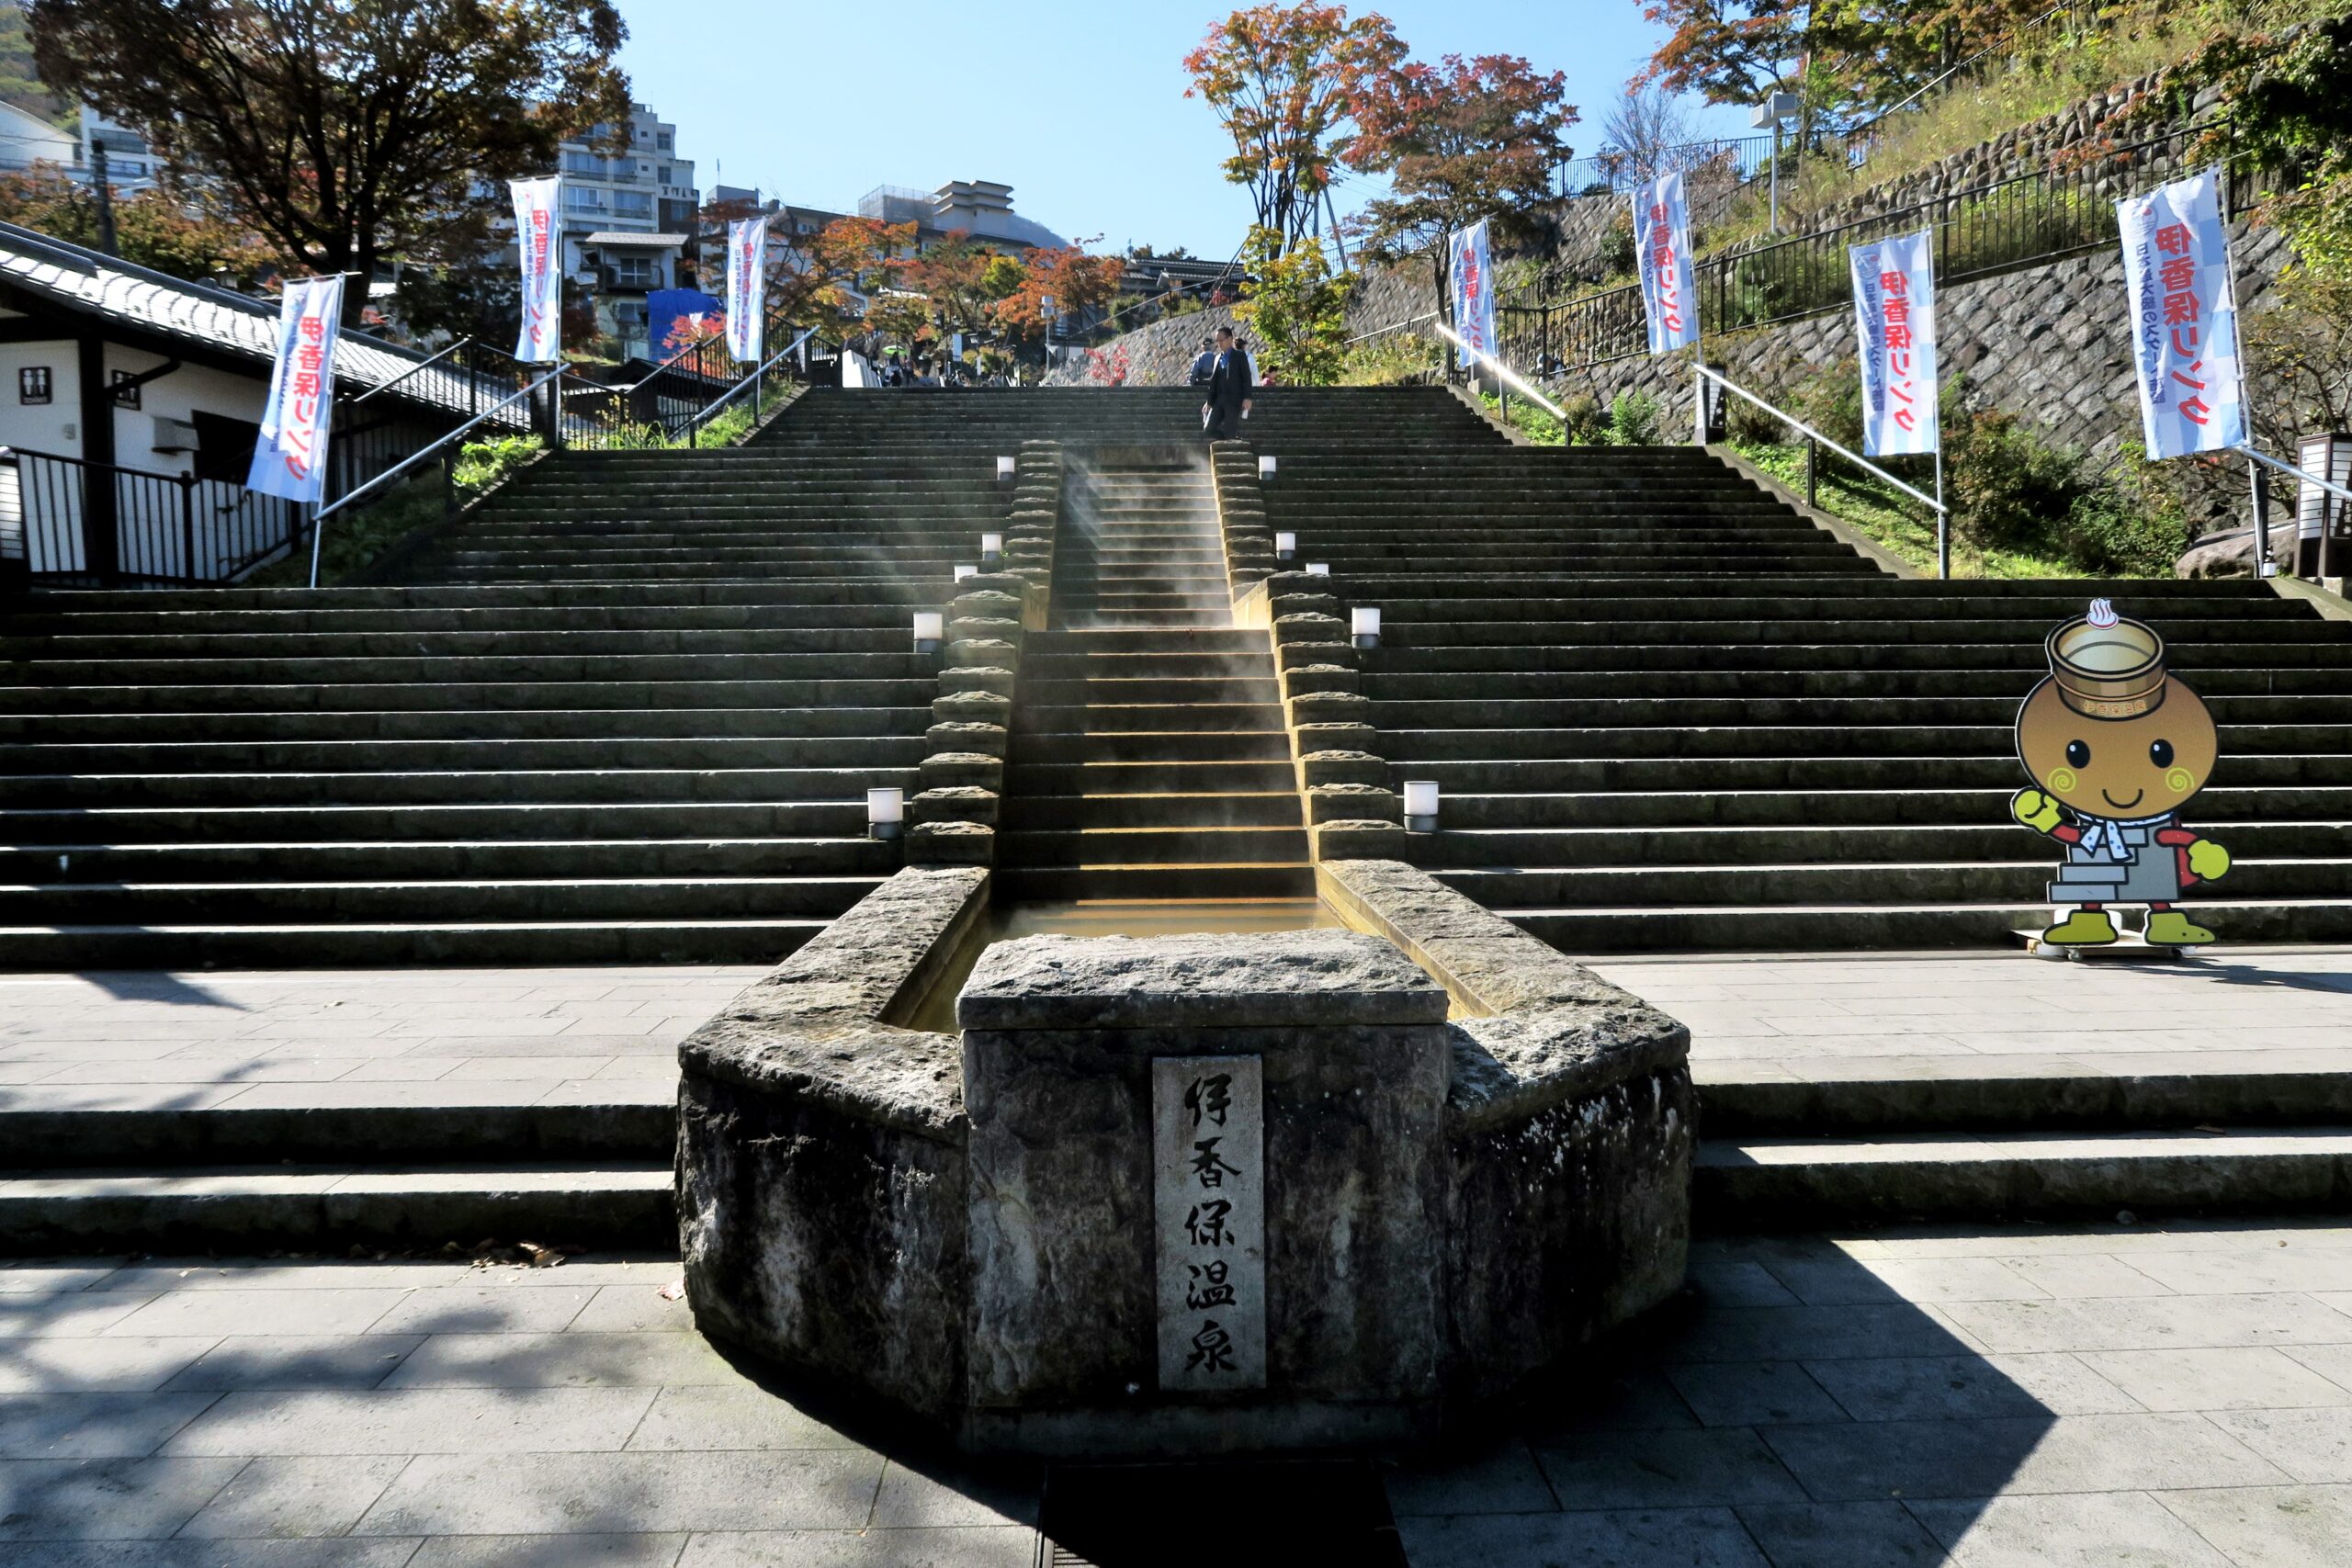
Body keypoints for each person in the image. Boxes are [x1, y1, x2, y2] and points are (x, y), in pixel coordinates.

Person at [1201, 325, 1254, 441]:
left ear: (1230, 339)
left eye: (1221, 340)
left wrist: (1248, 397)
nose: (1219, 343)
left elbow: (1247, 377)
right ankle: (1229, 441)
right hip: (1219, 400)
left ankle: (1230, 444)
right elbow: (1213, 382)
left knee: (1230, 431)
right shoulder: (1217, 358)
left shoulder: (1239, 355)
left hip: (1234, 400)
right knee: (1208, 428)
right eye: (1217, 340)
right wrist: (1209, 401)